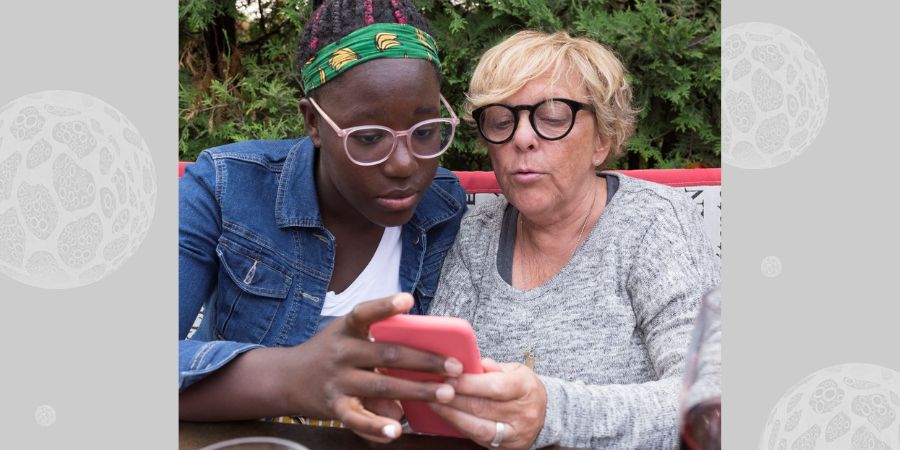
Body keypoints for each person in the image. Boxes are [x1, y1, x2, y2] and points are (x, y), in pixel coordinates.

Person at [178, 0, 467, 443]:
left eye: (426, 131)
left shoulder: (448, 210)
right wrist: (291, 378)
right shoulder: (225, 187)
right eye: (368, 139)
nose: (405, 164)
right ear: (313, 122)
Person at [428, 30, 720, 449]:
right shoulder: (477, 232)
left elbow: (707, 398)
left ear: (603, 138)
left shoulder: (654, 222)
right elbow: (434, 378)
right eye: (500, 120)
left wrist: (553, 413)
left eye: (551, 117)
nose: (521, 138)